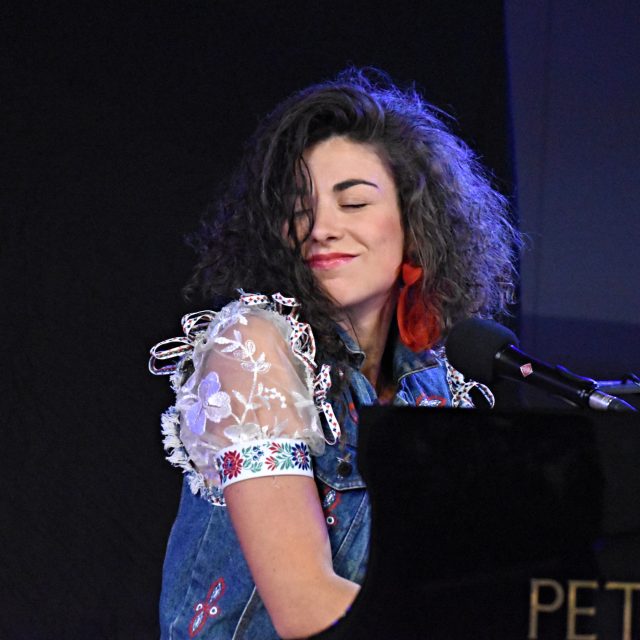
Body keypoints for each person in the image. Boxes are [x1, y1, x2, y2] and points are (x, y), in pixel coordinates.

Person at [149, 67, 520, 639]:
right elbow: (305, 604)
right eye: (300, 208)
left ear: (415, 221)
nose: (320, 228)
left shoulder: (437, 382)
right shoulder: (252, 345)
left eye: (353, 203)